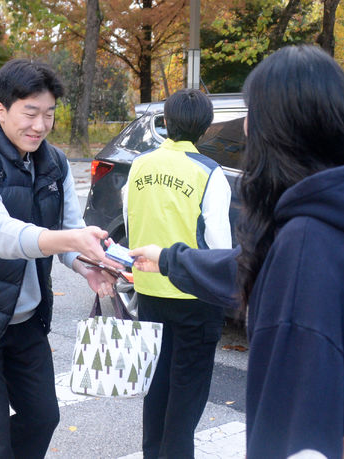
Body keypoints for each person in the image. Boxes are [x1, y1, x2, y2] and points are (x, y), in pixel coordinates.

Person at [130, 45, 344, 458]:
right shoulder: (339, 207)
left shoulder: (308, 243)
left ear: (280, 127)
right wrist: (168, 259)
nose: (248, 125)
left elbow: (296, 423)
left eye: (255, 112)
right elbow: (257, 267)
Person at [0, 59, 120, 458]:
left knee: (42, 416)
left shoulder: (54, 163)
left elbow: (69, 225)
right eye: (30, 113)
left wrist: (87, 264)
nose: (40, 125)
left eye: (49, 114)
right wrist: (71, 238)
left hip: (26, 317)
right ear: (1, 110)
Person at [121, 88, 232, 458]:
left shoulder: (139, 165)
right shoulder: (210, 174)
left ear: (165, 122)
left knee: (157, 392)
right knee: (185, 403)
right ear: (207, 128)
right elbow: (219, 248)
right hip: (195, 297)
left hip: (150, 293)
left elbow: (129, 220)